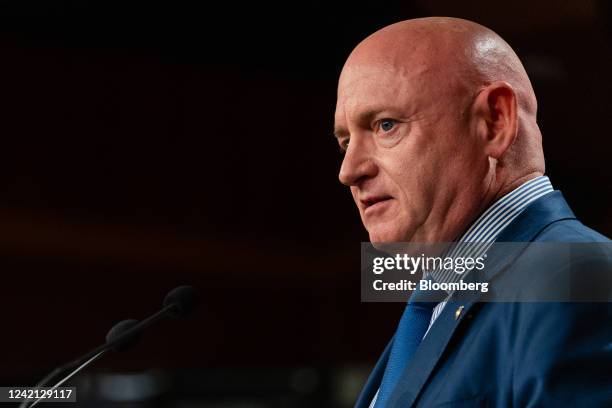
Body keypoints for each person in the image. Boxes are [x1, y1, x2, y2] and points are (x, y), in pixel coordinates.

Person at [333, 17, 612, 407]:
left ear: (495, 121)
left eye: (385, 125)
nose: (349, 171)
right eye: (346, 142)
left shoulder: (578, 279)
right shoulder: (446, 298)